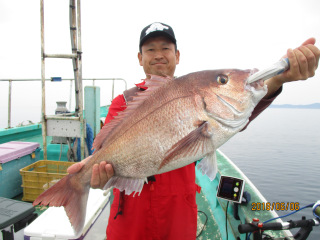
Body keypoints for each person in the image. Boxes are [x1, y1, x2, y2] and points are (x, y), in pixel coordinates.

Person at [68, 22, 320, 239]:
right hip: (130, 223)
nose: (158, 54)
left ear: (177, 56)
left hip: (179, 217)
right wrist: (94, 176)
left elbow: (238, 114)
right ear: (139, 58)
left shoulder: (200, 100)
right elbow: (104, 156)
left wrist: (278, 79)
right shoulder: (122, 103)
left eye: (165, 48)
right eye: (150, 49)